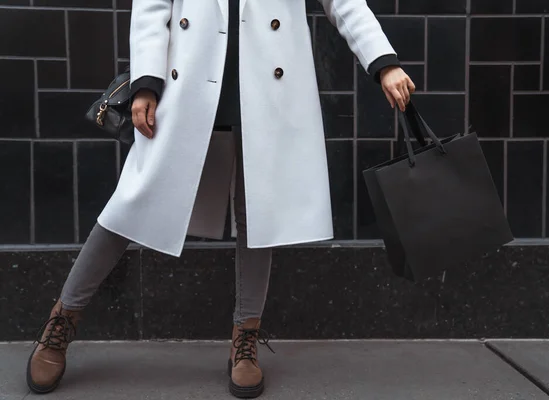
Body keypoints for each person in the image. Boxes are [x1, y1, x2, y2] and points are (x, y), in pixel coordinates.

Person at [25, 0, 415, 397]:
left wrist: (383, 61)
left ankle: (245, 338)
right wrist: (146, 80)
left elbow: (343, 2)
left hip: (267, 84)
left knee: (258, 212)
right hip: (186, 83)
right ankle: (63, 320)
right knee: (130, 205)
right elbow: (151, 6)